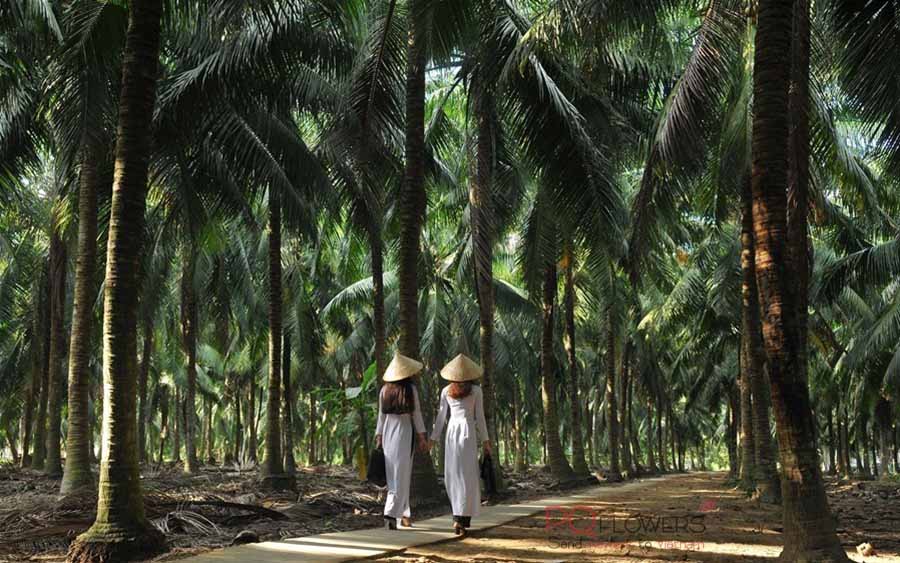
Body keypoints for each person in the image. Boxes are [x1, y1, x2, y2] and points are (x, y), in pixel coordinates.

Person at [428, 353, 492, 536]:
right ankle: (462, 518)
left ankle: (457, 516)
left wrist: (433, 439)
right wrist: (486, 441)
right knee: (468, 475)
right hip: (468, 432)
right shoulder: (476, 391)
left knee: (453, 474)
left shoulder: (446, 391)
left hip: (452, 433)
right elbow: (479, 417)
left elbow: (441, 418)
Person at [375, 352, 428, 530]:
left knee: (394, 476)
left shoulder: (384, 390)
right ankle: (390, 514)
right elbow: (417, 414)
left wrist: (379, 437)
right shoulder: (410, 390)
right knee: (402, 476)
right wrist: (422, 436)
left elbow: (381, 417)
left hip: (388, 433)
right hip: (405, 433)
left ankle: (405, 514)